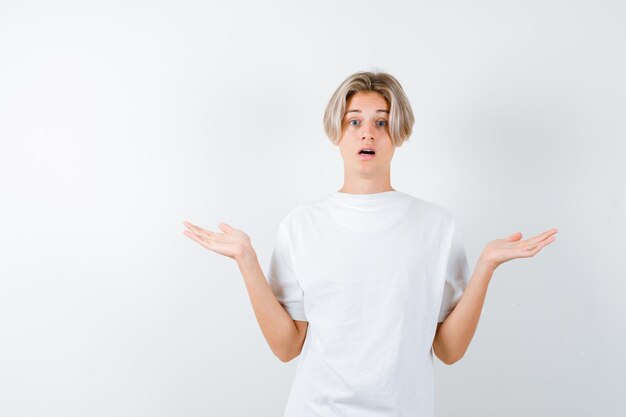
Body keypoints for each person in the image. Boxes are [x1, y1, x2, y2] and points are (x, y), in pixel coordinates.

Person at [182, 70, 558, 417]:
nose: (368, 133)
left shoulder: (436, 226)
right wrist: (246, 259)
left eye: (382, 122)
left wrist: (486, 265)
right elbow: (286, 347)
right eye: (354, 121)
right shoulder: (301, 226)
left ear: (399, 132)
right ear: (337, 133)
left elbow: (449, 350)